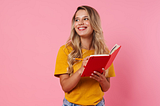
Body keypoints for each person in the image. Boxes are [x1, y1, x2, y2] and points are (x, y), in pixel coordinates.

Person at [54, 5, 115, 106]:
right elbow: (65, 87)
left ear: (94, 23)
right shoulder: (65, 50)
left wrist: (102, 80)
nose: (80, 23)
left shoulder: (104, 52)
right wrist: (81, 70)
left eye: (85, 19)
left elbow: (106, 87)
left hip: (98, 104)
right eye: (77, 20)